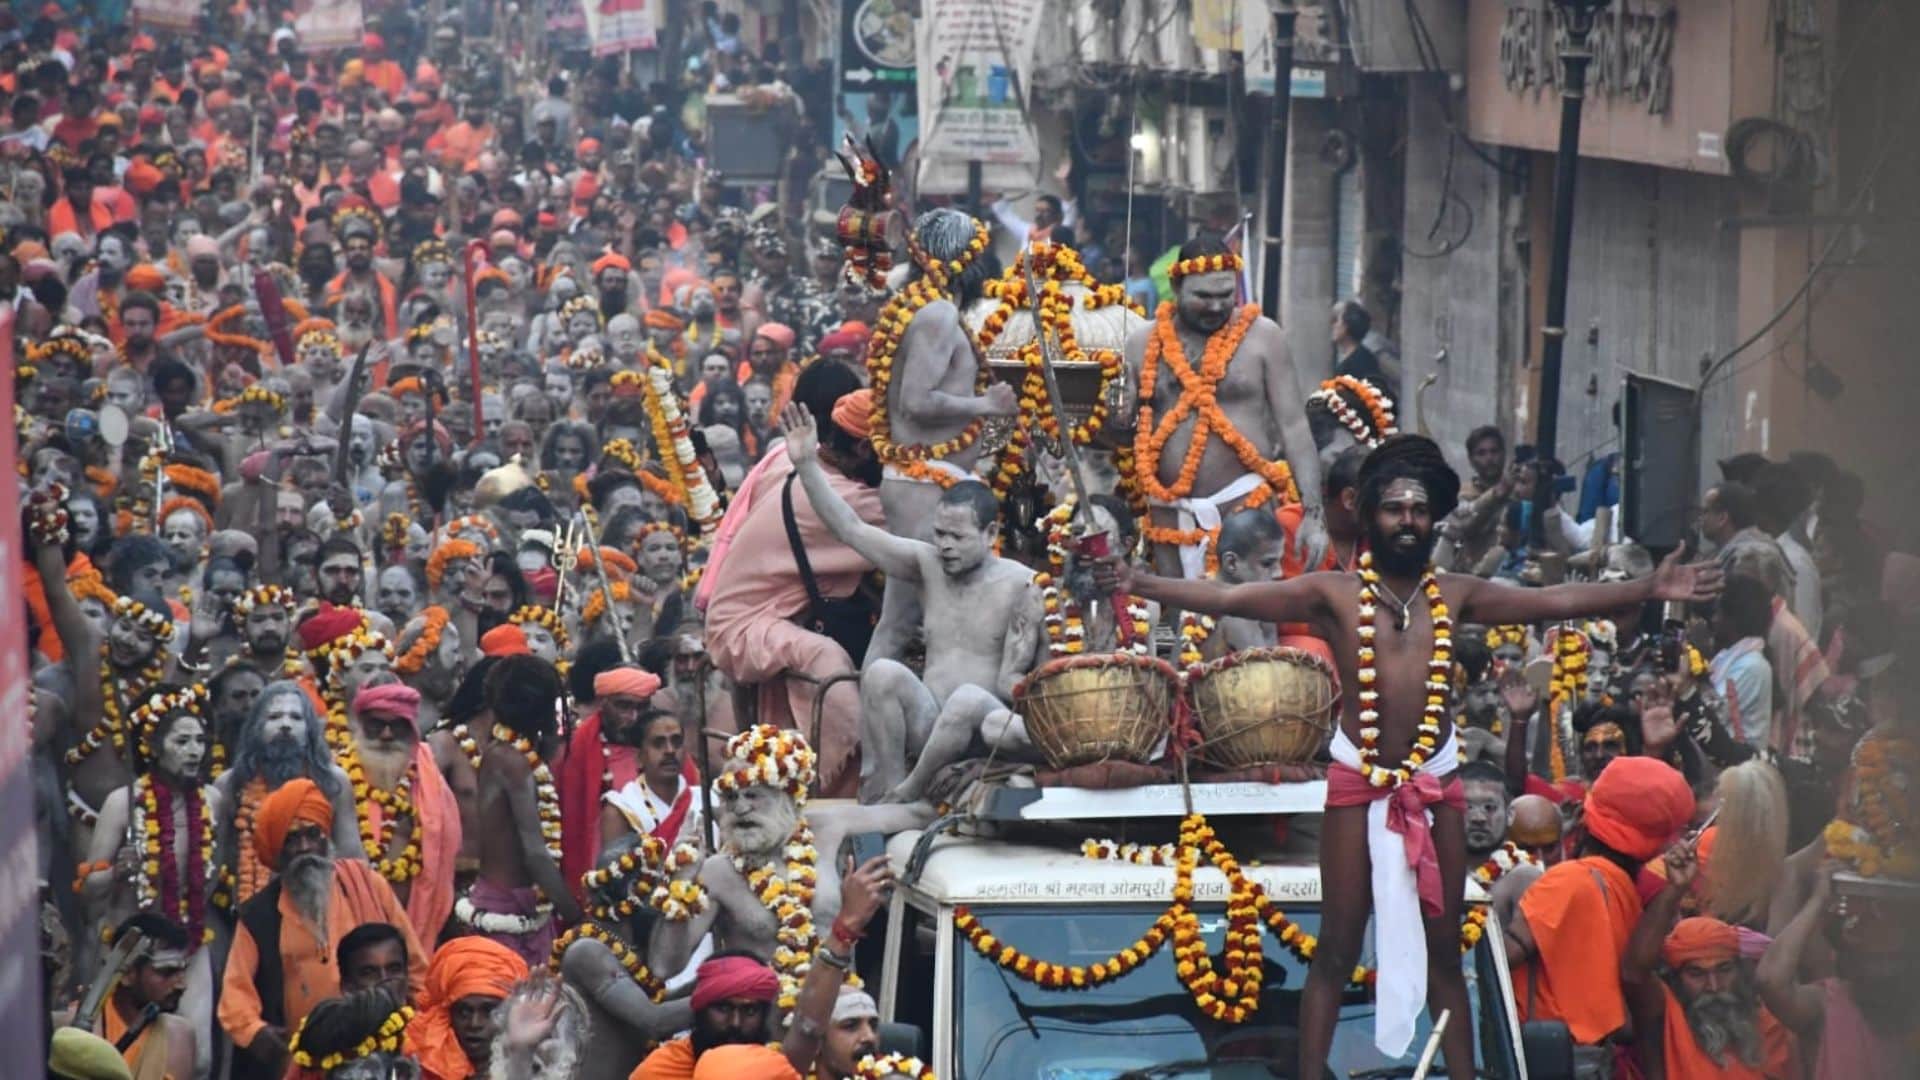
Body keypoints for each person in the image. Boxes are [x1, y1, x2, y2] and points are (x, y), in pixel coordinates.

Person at [1096, 434, 1722, 1073]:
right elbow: (1228, 598)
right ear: (1370, 515)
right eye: (1394, 508)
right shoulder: (1332, 595)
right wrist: (1137, 580)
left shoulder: (1456, 593)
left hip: (1434, 788)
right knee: (1336, 948)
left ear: (1434, 520)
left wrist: (1649, 586)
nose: (1407, 520)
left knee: (1444, 951)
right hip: (1356, 784)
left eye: (1419, 510)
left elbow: (1552, 601)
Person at [784, 407, 1040, 805]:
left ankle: (909, 793)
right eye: (940, 533)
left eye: (958, 536)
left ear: (991, 534)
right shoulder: (927, 564)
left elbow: (1023, 681)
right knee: (883, 671)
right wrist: (805, 465)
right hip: (931, 725)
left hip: (988, 728)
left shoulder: (1021, 584)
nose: (946, 545)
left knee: (968, 698)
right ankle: (890, 785)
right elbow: (851, 529)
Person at [699, 367, 884, 797]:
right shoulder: (848, 500)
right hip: (743, 628)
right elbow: (915, 529)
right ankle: (852, 771)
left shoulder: (783, 459)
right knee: (827, 659)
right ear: (860, 447)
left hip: (762, 616)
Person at [861, 208, 1021, 665]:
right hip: (922, 484)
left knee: (915, 620)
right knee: (900, 622)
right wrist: (985, 406)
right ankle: (875, 730)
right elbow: (917, 401)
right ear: (966, 261)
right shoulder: (937, 314)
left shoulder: (925, 306)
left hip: (927, 479)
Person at [1121, 234, 1325, 581]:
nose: (1216, 307)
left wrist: (1313, 514)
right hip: (1168, 510)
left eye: (1226, 296)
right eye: (1203, 296)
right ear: (1175, 285)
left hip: (1245, 504)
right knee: (1176, 622)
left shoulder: (1264, 336)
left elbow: (1293, 426)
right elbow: (1123, 432)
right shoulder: (1141, 343)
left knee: (1248, 620)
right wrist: (1117, 412)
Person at [219, 777, 426, 1080]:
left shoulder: (366, 884)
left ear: (326, 837)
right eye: (291, 839)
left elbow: (416, 966)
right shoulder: (259, 914)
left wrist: (420, 1028)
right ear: (278, 850)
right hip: (308, 1062)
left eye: (312, 835)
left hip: (385, 1046)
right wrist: (258, 1034)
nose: (304, 847)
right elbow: (234, 996)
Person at [1504, 758, 1695, 1061]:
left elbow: (1500, 961)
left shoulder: (1568, 881)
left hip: (1542, 1060)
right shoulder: (1624, 891)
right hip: (1591, 1059)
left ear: (1584, 817)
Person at [466, 654, 580, 963]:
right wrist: (577, 917)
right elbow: (536, 854)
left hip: (523, 909)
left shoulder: (512, 754)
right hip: (504, 911)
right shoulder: (511, 761)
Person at [1624, 897, 1798, 1078]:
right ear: (1675, 979)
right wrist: (1675, 889)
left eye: (1724, 970)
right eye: (1697, 974)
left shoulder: (1767, 1024)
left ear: (1740, 970)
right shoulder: (1664, 1021)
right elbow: (1634, 974)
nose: (1714, 987)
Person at [348, 680, 462, 943]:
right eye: (376, 725)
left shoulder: (431, 780)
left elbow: (446, 855)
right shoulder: (340, 779)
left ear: (411, 728)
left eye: (397, 726)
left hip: (420, 928)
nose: (386, 735)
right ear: (360, 724)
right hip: (352, 927)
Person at [90, 914, 197, 1080]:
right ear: (127, 973)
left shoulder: (178, 1036)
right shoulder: (82, 1028)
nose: (181, 985)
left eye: (182, 972)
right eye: (166, 972)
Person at [408, 936, 532, 1080]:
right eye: (464, 1012)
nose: (475, 1024)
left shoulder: (539, 1067)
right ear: (447, 1015)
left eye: (489, 1011)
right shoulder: (415, 1066)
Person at [1710, 575, 1776, 749]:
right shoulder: (1728, 657)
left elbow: (1712, 715)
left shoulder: (1751, 666)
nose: (1713, 620)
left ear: (1734, 620)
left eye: (1718, 613)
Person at [336, 922, 413, 1004]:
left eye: (394, 969)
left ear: (407, 975)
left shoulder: (423, 1014)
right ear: (347, 987)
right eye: (369, 973)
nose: (384, 980)